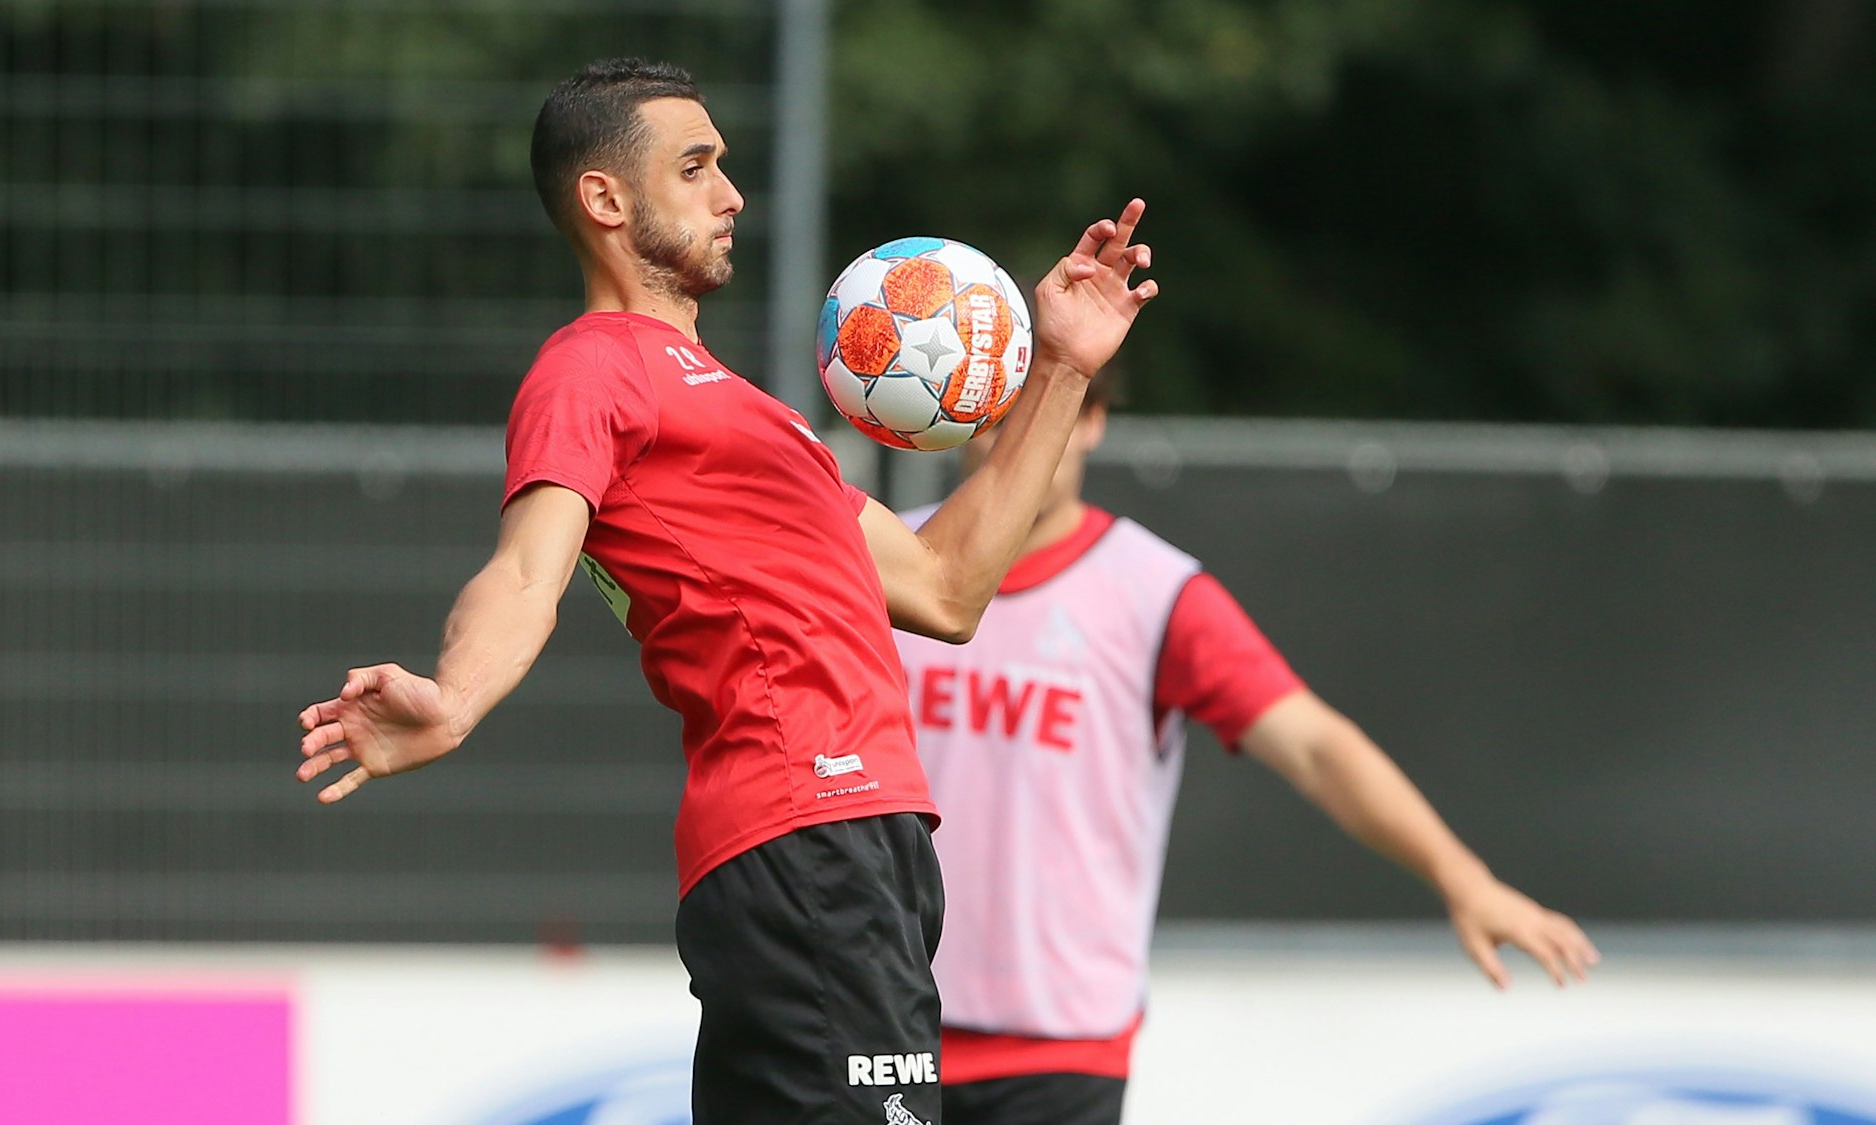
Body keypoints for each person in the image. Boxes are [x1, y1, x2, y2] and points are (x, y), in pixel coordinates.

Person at [293, 58, 1158, 1125]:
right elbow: (524, 567)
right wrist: (456, 696)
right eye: (696, 168)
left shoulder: (754, 416)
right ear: (606, 200)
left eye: (725, 167)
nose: (732, 195)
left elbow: (947, 588)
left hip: (856, 838)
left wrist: (1062, 370)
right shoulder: (592, 367)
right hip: (808, 823)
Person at [889, 370, 1602, 1125]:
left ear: (1092, 418)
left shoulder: (1152, 591)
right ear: (959, 415)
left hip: (1060, 1049)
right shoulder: (884, 564)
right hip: (883, 1014)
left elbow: (1316, 746)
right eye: (1002, 411)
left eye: (1051, 406)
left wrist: (1463, 879)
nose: (1024, 436)